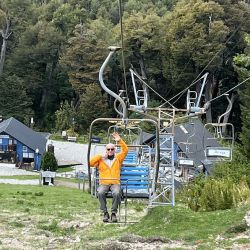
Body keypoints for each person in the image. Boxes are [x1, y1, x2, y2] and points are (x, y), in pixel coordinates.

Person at [90, 132, 128, 223]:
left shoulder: (118, 158)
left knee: (117, 192)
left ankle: (114, 213)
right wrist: (100, 156)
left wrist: (119, 140)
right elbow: (90, 163)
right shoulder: (101, 159)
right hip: (104, 183)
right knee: (100, 192)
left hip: (115, 182)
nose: (110, 151)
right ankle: (105, 212)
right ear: (106, 150)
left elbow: (125, 150)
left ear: (114, 150)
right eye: (108, 149)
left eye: (112, 149)